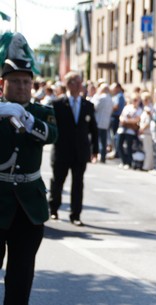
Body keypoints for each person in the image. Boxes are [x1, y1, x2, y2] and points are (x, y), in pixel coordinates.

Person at [0, 31, 58, 305]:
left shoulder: (40, 112)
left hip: (28, 206)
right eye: (15, 82)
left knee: (21, 275)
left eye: (26, 82)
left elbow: (52, 135)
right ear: (3, 84)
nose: (22, 86)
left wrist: (24, 117)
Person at [48, 71, 98, 227]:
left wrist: (95, 149)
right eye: (76, 82)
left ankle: (75, 214)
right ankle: (54, 209)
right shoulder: (57, 104)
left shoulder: (87, 105)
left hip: (80, 152)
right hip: (62, 151)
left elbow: (93, 129)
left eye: (80, 82)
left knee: (78, 184)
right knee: (58, 182)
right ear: (69, 84)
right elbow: (52, 127)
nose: (80, 85)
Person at [116, 92, 142, 169]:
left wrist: (127, 121)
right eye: (134, 100)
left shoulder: (139, 110)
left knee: (129, 147)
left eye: (136, 100)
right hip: (122, 129)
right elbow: (121, 116)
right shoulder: (127, 107)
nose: (135, 101)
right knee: (119, 145)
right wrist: (124, 120)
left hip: (131, 131)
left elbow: (137, 120)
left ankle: (129, 162)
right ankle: (123, 161)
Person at [92, 83, 113, 163]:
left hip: (98, 121)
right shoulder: (110, 99)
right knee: (103, 141)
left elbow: (95, 107)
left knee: (96, 140)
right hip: (105, 123)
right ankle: (103, 157)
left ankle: (95, 155)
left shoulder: (100, 98)